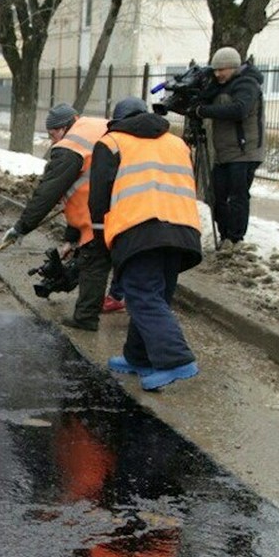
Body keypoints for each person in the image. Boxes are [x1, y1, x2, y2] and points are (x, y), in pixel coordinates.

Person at [90, 97, 203, 391]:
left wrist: (101, 238)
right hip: (183, 227)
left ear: (116, 122)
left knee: (141, 294)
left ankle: (176, 360)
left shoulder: (112, 142)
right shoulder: (177, 143)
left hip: (140, 227)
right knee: (157, 295)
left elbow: (99, 196)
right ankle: (138, 357)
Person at [2, 103, 110, 331]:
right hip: (126, 205)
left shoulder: (71, 146)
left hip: (102, 217)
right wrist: (71, 238)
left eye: (53, 135)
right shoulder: (98, 126)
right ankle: (118, 297)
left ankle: (85, 319)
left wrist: (22, 227)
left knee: (94, 262)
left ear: (64, 128)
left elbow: (48, 192)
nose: (53, 142)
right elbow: (84, 189)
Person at [190, 46, 265, 250]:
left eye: (221, 70)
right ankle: (224, 235)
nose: (217, 74)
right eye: (214, 70)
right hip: (224, 153)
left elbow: (240, 110)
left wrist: (203, 111)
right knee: (216, 195)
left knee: (238, 195)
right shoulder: (219, 85)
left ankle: (235, 238)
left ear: (233, 67)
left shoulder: (247, 84)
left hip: (245, 151)